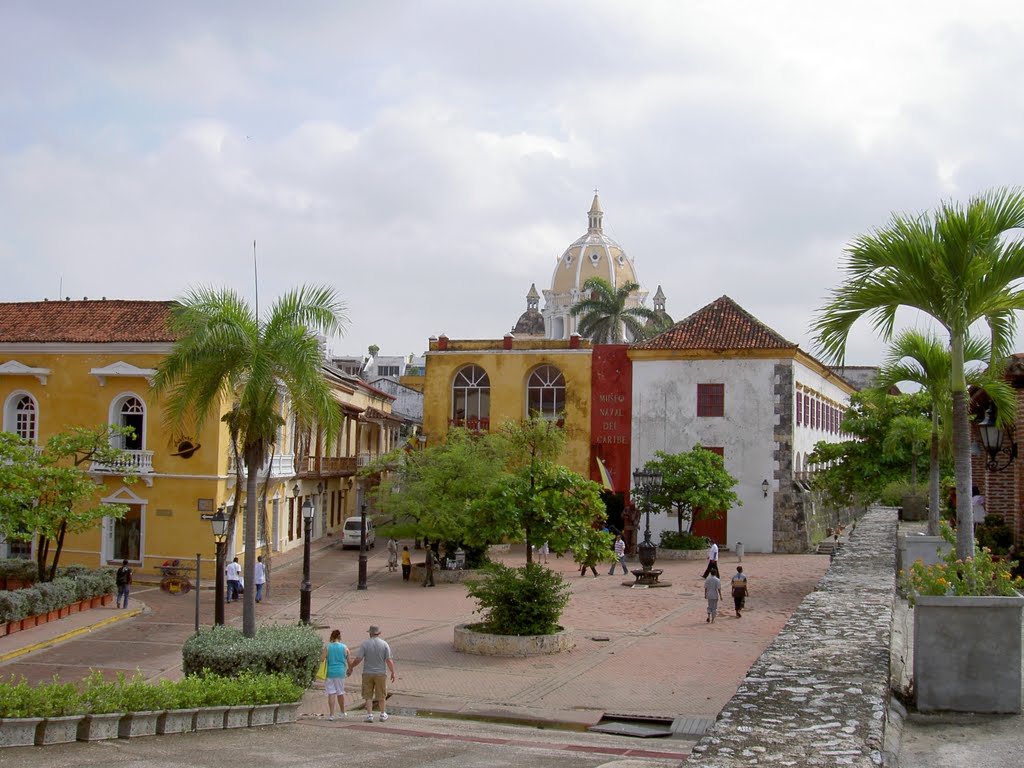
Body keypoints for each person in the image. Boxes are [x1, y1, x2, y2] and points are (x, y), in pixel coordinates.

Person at [348, 625, 396, 722]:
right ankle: (382, 714)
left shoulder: (365, 644)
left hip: (367, 673)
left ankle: (370, 715)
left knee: (368, 695)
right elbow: (388, 660)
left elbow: (359, 659)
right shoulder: (384, 644)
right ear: (379, 633)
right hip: (380, 673)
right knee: (381, 694)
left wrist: (351, 666)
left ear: (370, 633)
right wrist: (393, 672)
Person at [322, 629, 350, 720]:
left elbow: (321, 658)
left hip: (330, 672)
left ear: (332, 637)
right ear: (339, 637)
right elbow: (349, 660)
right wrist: (350, 669)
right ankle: (342, 712)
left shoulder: (328, 647)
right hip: (340, 672)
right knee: (340, 692)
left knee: (331, 693)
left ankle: (331, 715)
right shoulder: (344, 647)